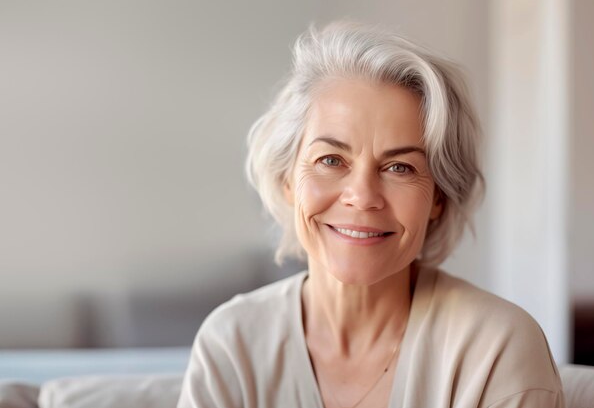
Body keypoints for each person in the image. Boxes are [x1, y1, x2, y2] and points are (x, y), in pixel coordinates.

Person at [177, 22, 564, 408]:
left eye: (400, 168)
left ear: (438, 199)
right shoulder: (232, 346)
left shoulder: (497, 350)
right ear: (287, 181)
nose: (362, 197)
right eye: (331, 160)